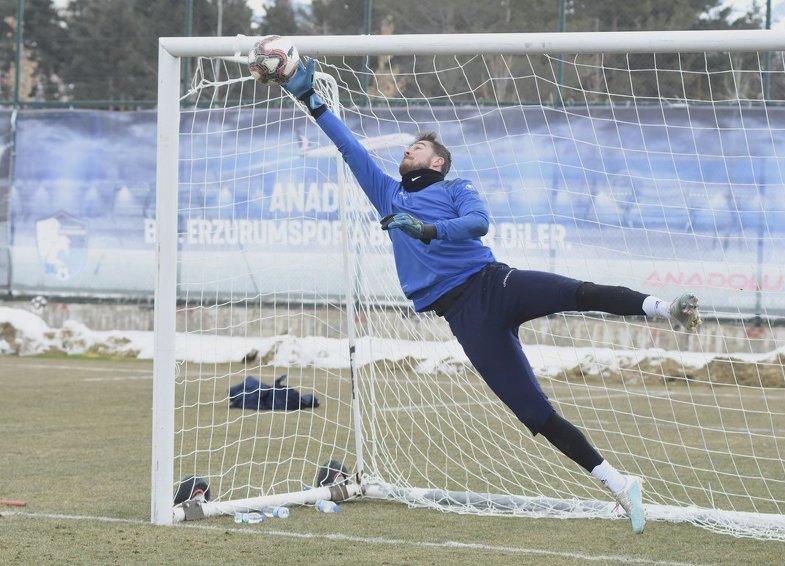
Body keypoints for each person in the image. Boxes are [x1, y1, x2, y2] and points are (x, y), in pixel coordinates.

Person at [279, 57, 703, 535]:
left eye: (416, 148)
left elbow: (479, 224)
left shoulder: (457, 187)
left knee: (577, 293)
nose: (407, 151)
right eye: (407, 148)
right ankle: (619, 485)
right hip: (463, 318)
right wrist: (309, 100)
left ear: (437, 162)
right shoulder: (389, 196)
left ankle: (666, 309)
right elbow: (350, 148)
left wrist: (426, 229)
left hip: (495, 284)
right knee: (534, 414)